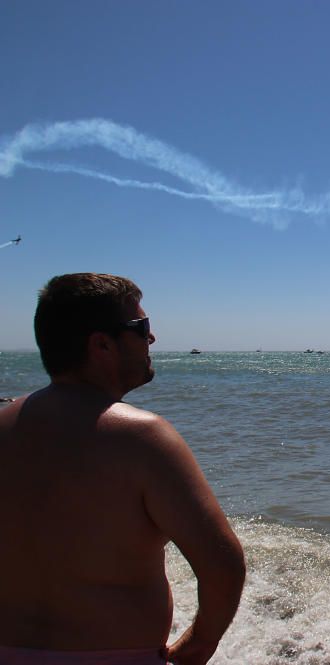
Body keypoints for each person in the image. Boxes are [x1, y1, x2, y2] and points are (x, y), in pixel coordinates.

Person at [0, 273, 246, 665]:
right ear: (101, 344)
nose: (151, 339)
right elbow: (222, 564)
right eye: (141, 328)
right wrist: (201, 642)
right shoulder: (143, 438)